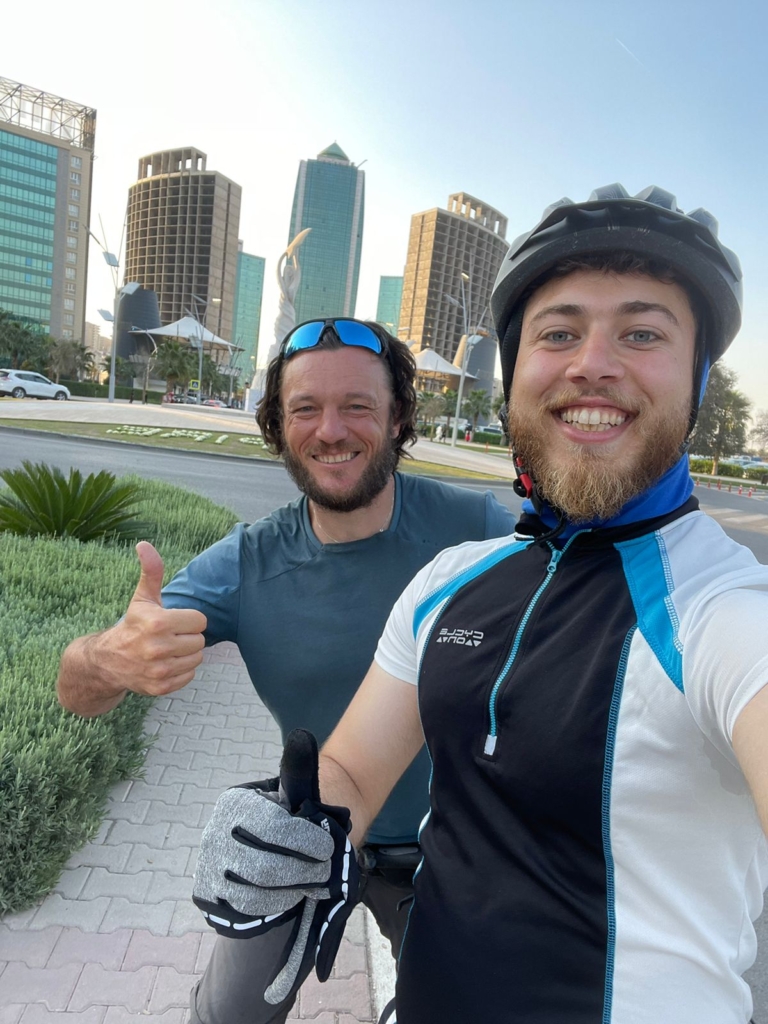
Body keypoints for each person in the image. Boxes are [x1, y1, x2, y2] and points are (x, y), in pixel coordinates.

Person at [195, 187, 768, 1023]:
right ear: (516, 376)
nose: (592, 363)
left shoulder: (723, 610)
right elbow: (353, 768)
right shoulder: (449, 580)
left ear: (698, 382)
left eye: (642, 333)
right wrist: (290, 824)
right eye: (559, 333)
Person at [56, 317, 515, 1024]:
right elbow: (77, 692)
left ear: (398, 421)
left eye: (358, 406)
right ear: (277, 428)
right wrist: (106, 658)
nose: (331, 429)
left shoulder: (477, 530)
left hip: (449, 845)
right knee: (227, 1015)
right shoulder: (247, 562)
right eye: (305, 409)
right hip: (308, 829)